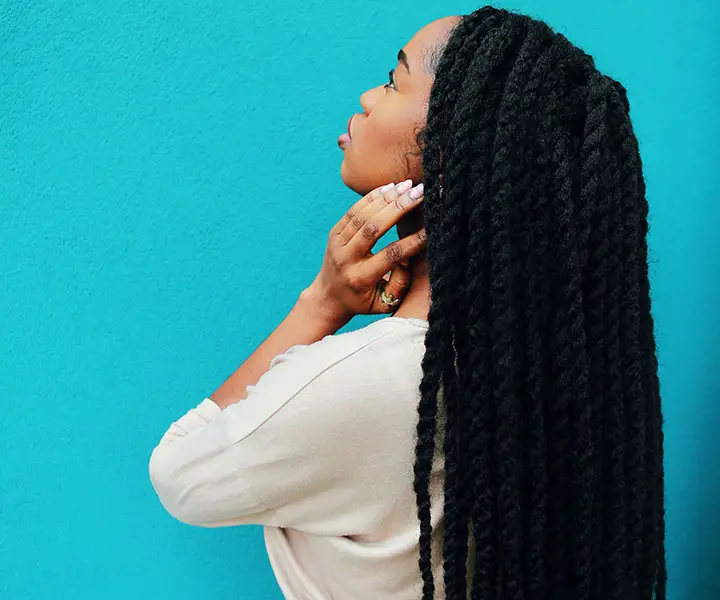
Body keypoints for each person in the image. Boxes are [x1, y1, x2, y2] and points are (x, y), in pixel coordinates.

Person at [148, 6, 666, 600]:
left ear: (447, 146)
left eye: (395, 80)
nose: (369, 97)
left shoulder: (362, 382)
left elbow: (178, 474)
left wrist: (319, 306)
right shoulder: (564, 371)